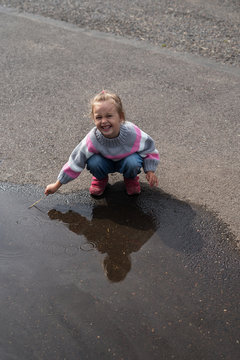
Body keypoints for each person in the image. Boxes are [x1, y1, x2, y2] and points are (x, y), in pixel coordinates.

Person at [45, 90, 160, 197]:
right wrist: (57, 185)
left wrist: (150, 170)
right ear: (94, 119)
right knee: (94, 162)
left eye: (109, 116)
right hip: (104, 163)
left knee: (133, 162)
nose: (104, 121)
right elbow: (75, 161)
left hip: (127, 161)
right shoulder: (92, 139)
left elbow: (149, 149)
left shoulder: (133, 134)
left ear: (120, 117)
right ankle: (100, 179)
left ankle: (130, 179)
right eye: (99, 117)